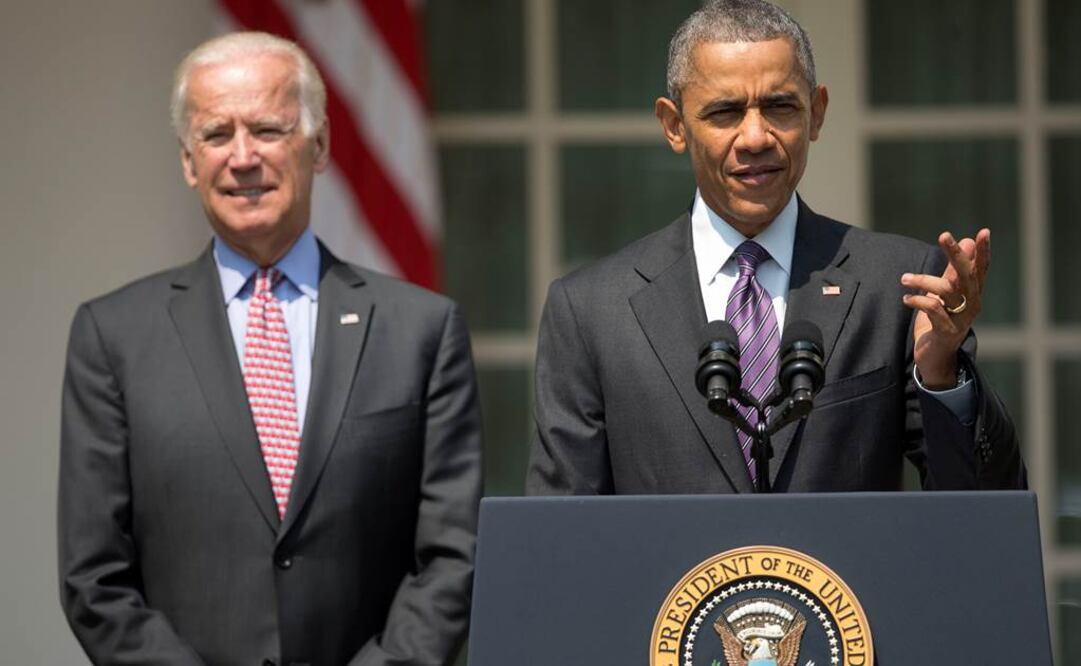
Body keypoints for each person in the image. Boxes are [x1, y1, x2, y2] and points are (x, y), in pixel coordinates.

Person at [58, 32, 482, 666]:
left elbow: (453, 556)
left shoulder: (421, 330)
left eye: (267, 129)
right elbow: (94, 577)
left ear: (320, 146)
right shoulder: (112, 337)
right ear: (188, 161)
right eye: (216, 135)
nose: (243, 157)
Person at [526, 0, 1024, 495]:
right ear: (674, 125)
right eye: (725, 112)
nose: (755, 137)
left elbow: (985, 505)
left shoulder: (898, 285)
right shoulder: (592, 312)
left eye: (780, 107)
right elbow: (560, 530)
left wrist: (939, 374)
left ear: (816, 112)